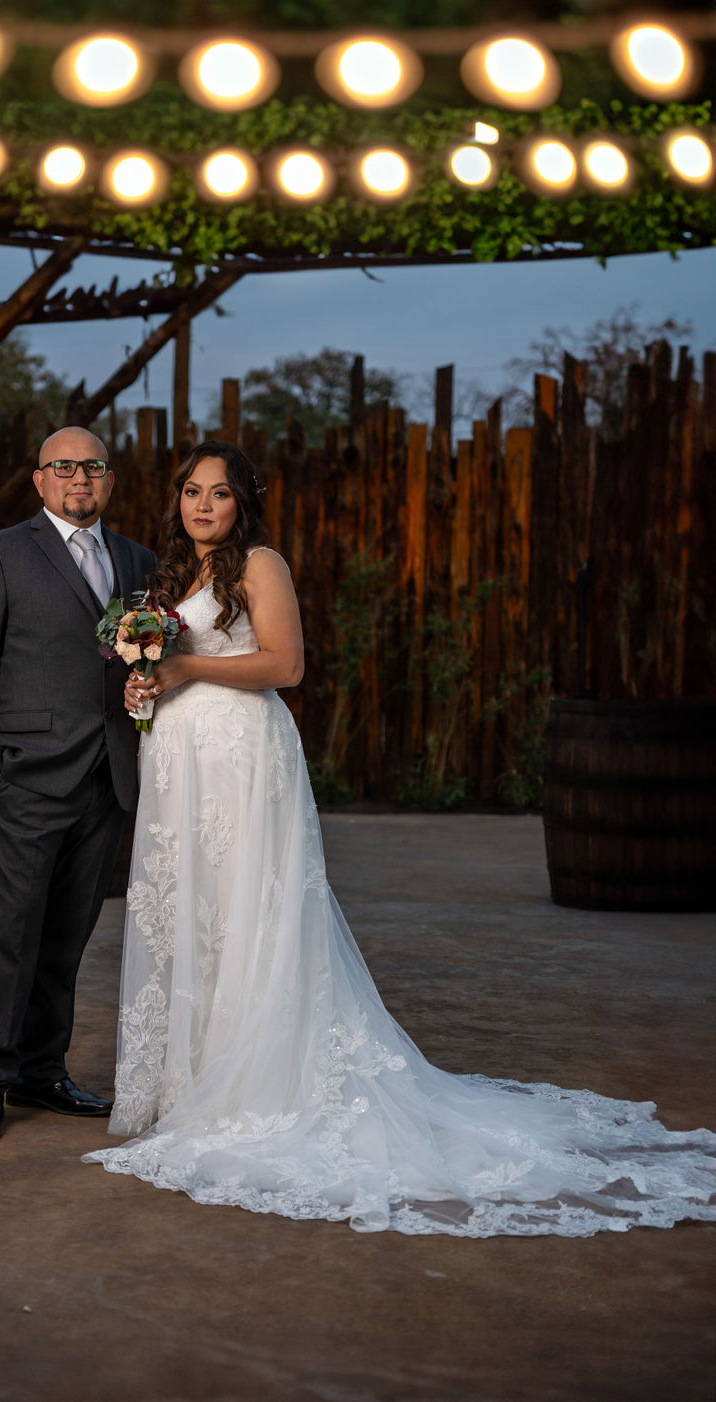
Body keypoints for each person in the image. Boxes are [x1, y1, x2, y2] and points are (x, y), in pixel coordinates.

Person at [83, 440, 716, 1235]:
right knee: (195, 914)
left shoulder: (260, 566)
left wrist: (187, 671)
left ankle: (254, 1083)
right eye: (190, 492)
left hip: (242, 760)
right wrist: (148, 681)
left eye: (219, 493)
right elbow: (174, 660)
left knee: (249, 912)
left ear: (245, 504)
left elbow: (287, 666)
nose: (202, 505)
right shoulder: (177, 576)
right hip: (183, 763)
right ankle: (191, 1079)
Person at [0, 426, 156, 1145]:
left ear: (110, 480)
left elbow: (139, 667)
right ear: (39, 480)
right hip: (25, 781)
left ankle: (43, 1070)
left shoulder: (136, 561)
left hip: (106, 780)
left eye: (92, 468)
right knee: (8, 937)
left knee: (67, 939)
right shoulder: (0, 554)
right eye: (63, 467)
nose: (78, 479)